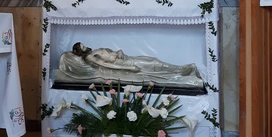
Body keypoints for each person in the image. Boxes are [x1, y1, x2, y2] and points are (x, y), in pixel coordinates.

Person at [54, 42, 205, 90]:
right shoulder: (90, 57)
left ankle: (182, 70)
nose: (86, 46)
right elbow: (107, 65)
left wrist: (119, 51)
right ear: (80, 52)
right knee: (154, 65)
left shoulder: (94, 51)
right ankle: (182, 71)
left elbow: (111, 53)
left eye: (84, 45)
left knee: (154, 61)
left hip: (126, 58)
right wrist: (128, 68)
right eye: (83, 47)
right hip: (126, 64)